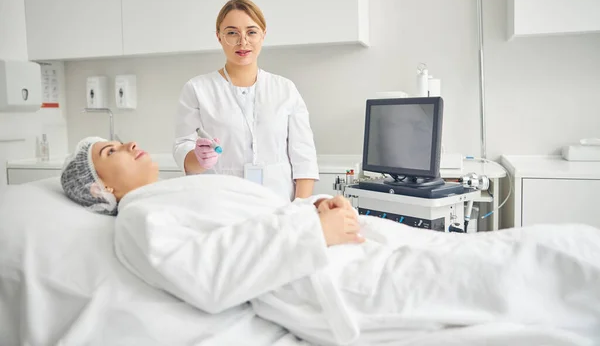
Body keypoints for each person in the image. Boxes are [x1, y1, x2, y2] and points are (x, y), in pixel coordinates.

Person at [62, 137, 600, 346]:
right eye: (111, 150)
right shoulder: (137, 220)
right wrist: (311, 230)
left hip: (338, 246)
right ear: (102, 187)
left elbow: (256, 218)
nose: (129, 143)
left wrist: (314, 208)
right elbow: (206, 275)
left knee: (520, 252)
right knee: (522, 263)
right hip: (325, 279)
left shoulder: (179, 191)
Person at [173, 0, 318, 201]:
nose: (243, 41)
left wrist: (299, 209)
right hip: (220, 203)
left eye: (251, 32)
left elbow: (304, 157)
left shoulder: (285, 89)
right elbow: (183, 147)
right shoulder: (198, 89)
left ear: (263, 35)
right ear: (219, 37)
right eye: (232, 33)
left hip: (278, 205)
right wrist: (198, 159)